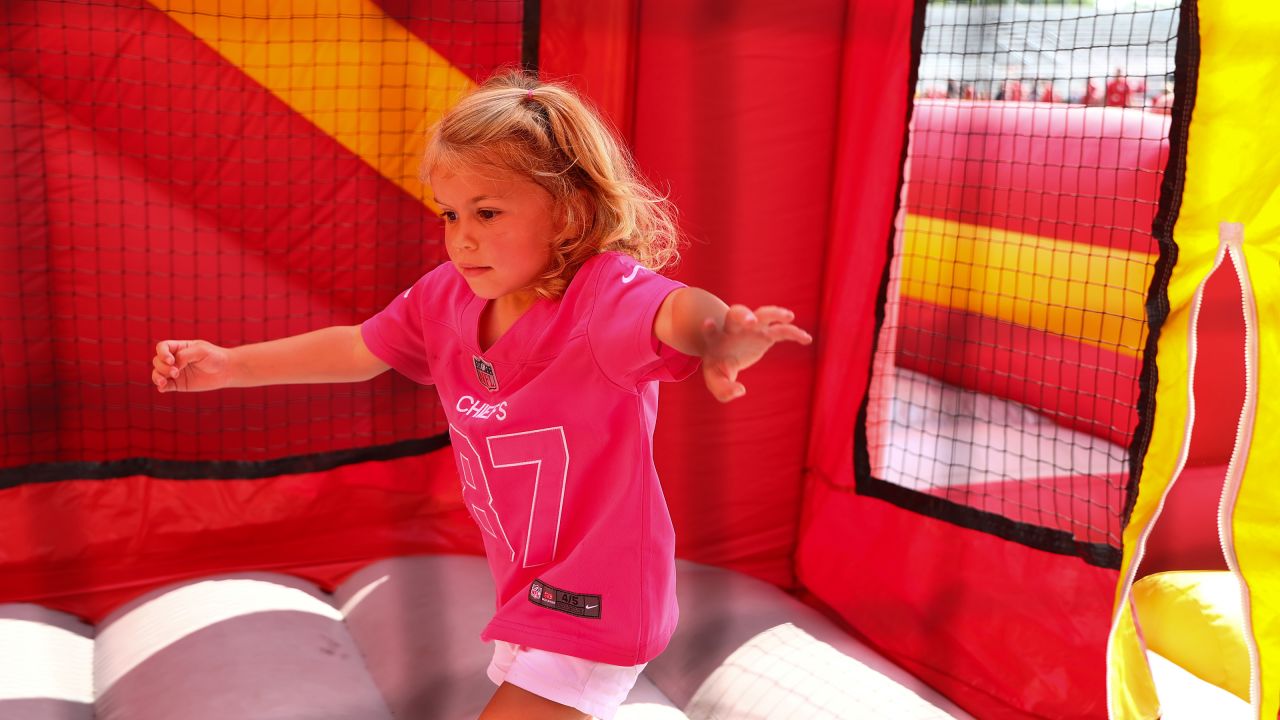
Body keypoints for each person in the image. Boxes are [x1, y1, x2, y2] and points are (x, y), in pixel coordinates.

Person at [149, 70, 812, 720]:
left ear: (570, 212)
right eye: (450, 214)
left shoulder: (605, 299)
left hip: (600, 598)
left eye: (488, 213)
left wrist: (721, 333)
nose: (461, 236)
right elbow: (358, 349)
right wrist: (231, 365)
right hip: (528, 589)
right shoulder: (448, 296)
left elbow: (674, 311)